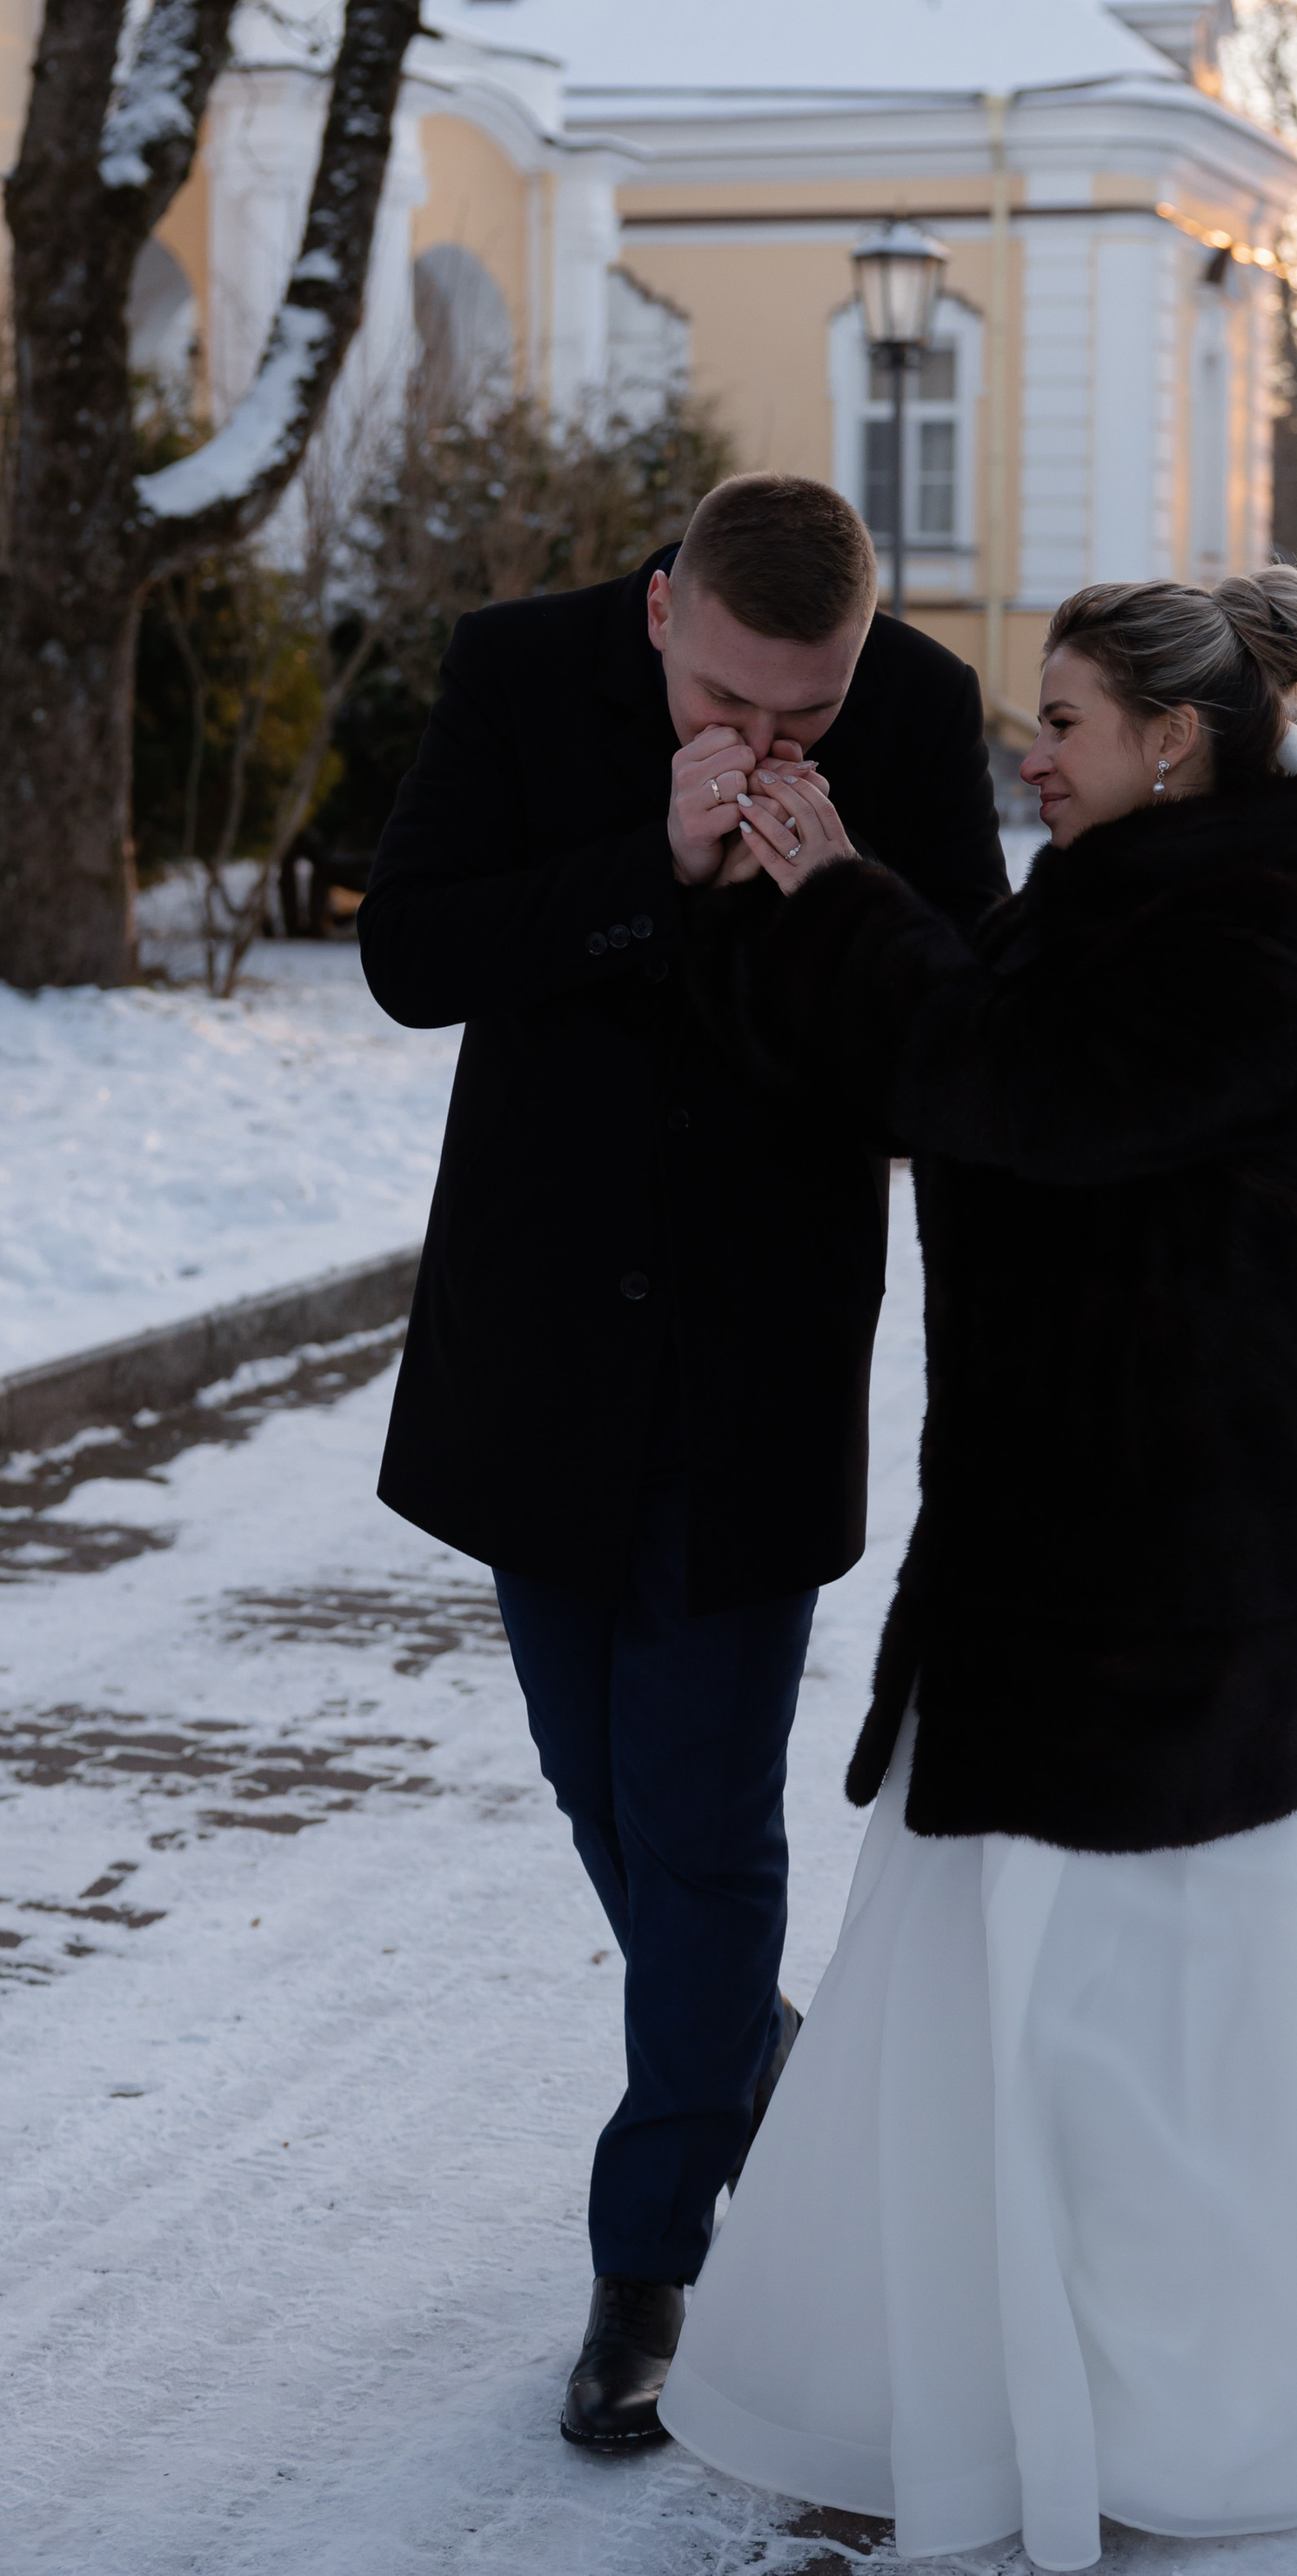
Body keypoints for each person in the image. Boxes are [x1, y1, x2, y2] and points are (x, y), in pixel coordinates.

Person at [662, 570, 1297, 2568]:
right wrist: (788, 899)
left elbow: (1015, 1099)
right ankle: (982, 2382)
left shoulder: (1266, 932)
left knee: (1151, 1997)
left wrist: (852, 902)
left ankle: (1215, 2404)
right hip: (1052, 1537)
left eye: (1060, 716)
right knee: (1024, 1977)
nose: (1028, 748)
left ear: (1174, 739)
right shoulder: (1116, 896)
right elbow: (933, 1070)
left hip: (1172, 1548)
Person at [356, 470, 1007, 2449]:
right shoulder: (519, 672)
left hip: (758, 1355)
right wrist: (644, 858)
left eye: (805, 711)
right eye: (732, 701)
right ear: (662, 615)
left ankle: (649, 2260)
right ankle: (751, 2058)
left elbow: (960, 1044)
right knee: (600, 1790)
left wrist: (840, 892)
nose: (769, 740)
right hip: (535, 1348)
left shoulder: (912, 711)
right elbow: (407, 954)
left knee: (709, 1825)